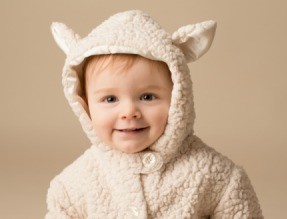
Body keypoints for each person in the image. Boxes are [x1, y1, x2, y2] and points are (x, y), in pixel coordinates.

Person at [46, 10, 263, 218]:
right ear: (85, 105)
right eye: (110, 99)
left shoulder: (216, 176)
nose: (129, 112)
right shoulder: (73, 186)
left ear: (178, 99)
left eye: (148, 97)